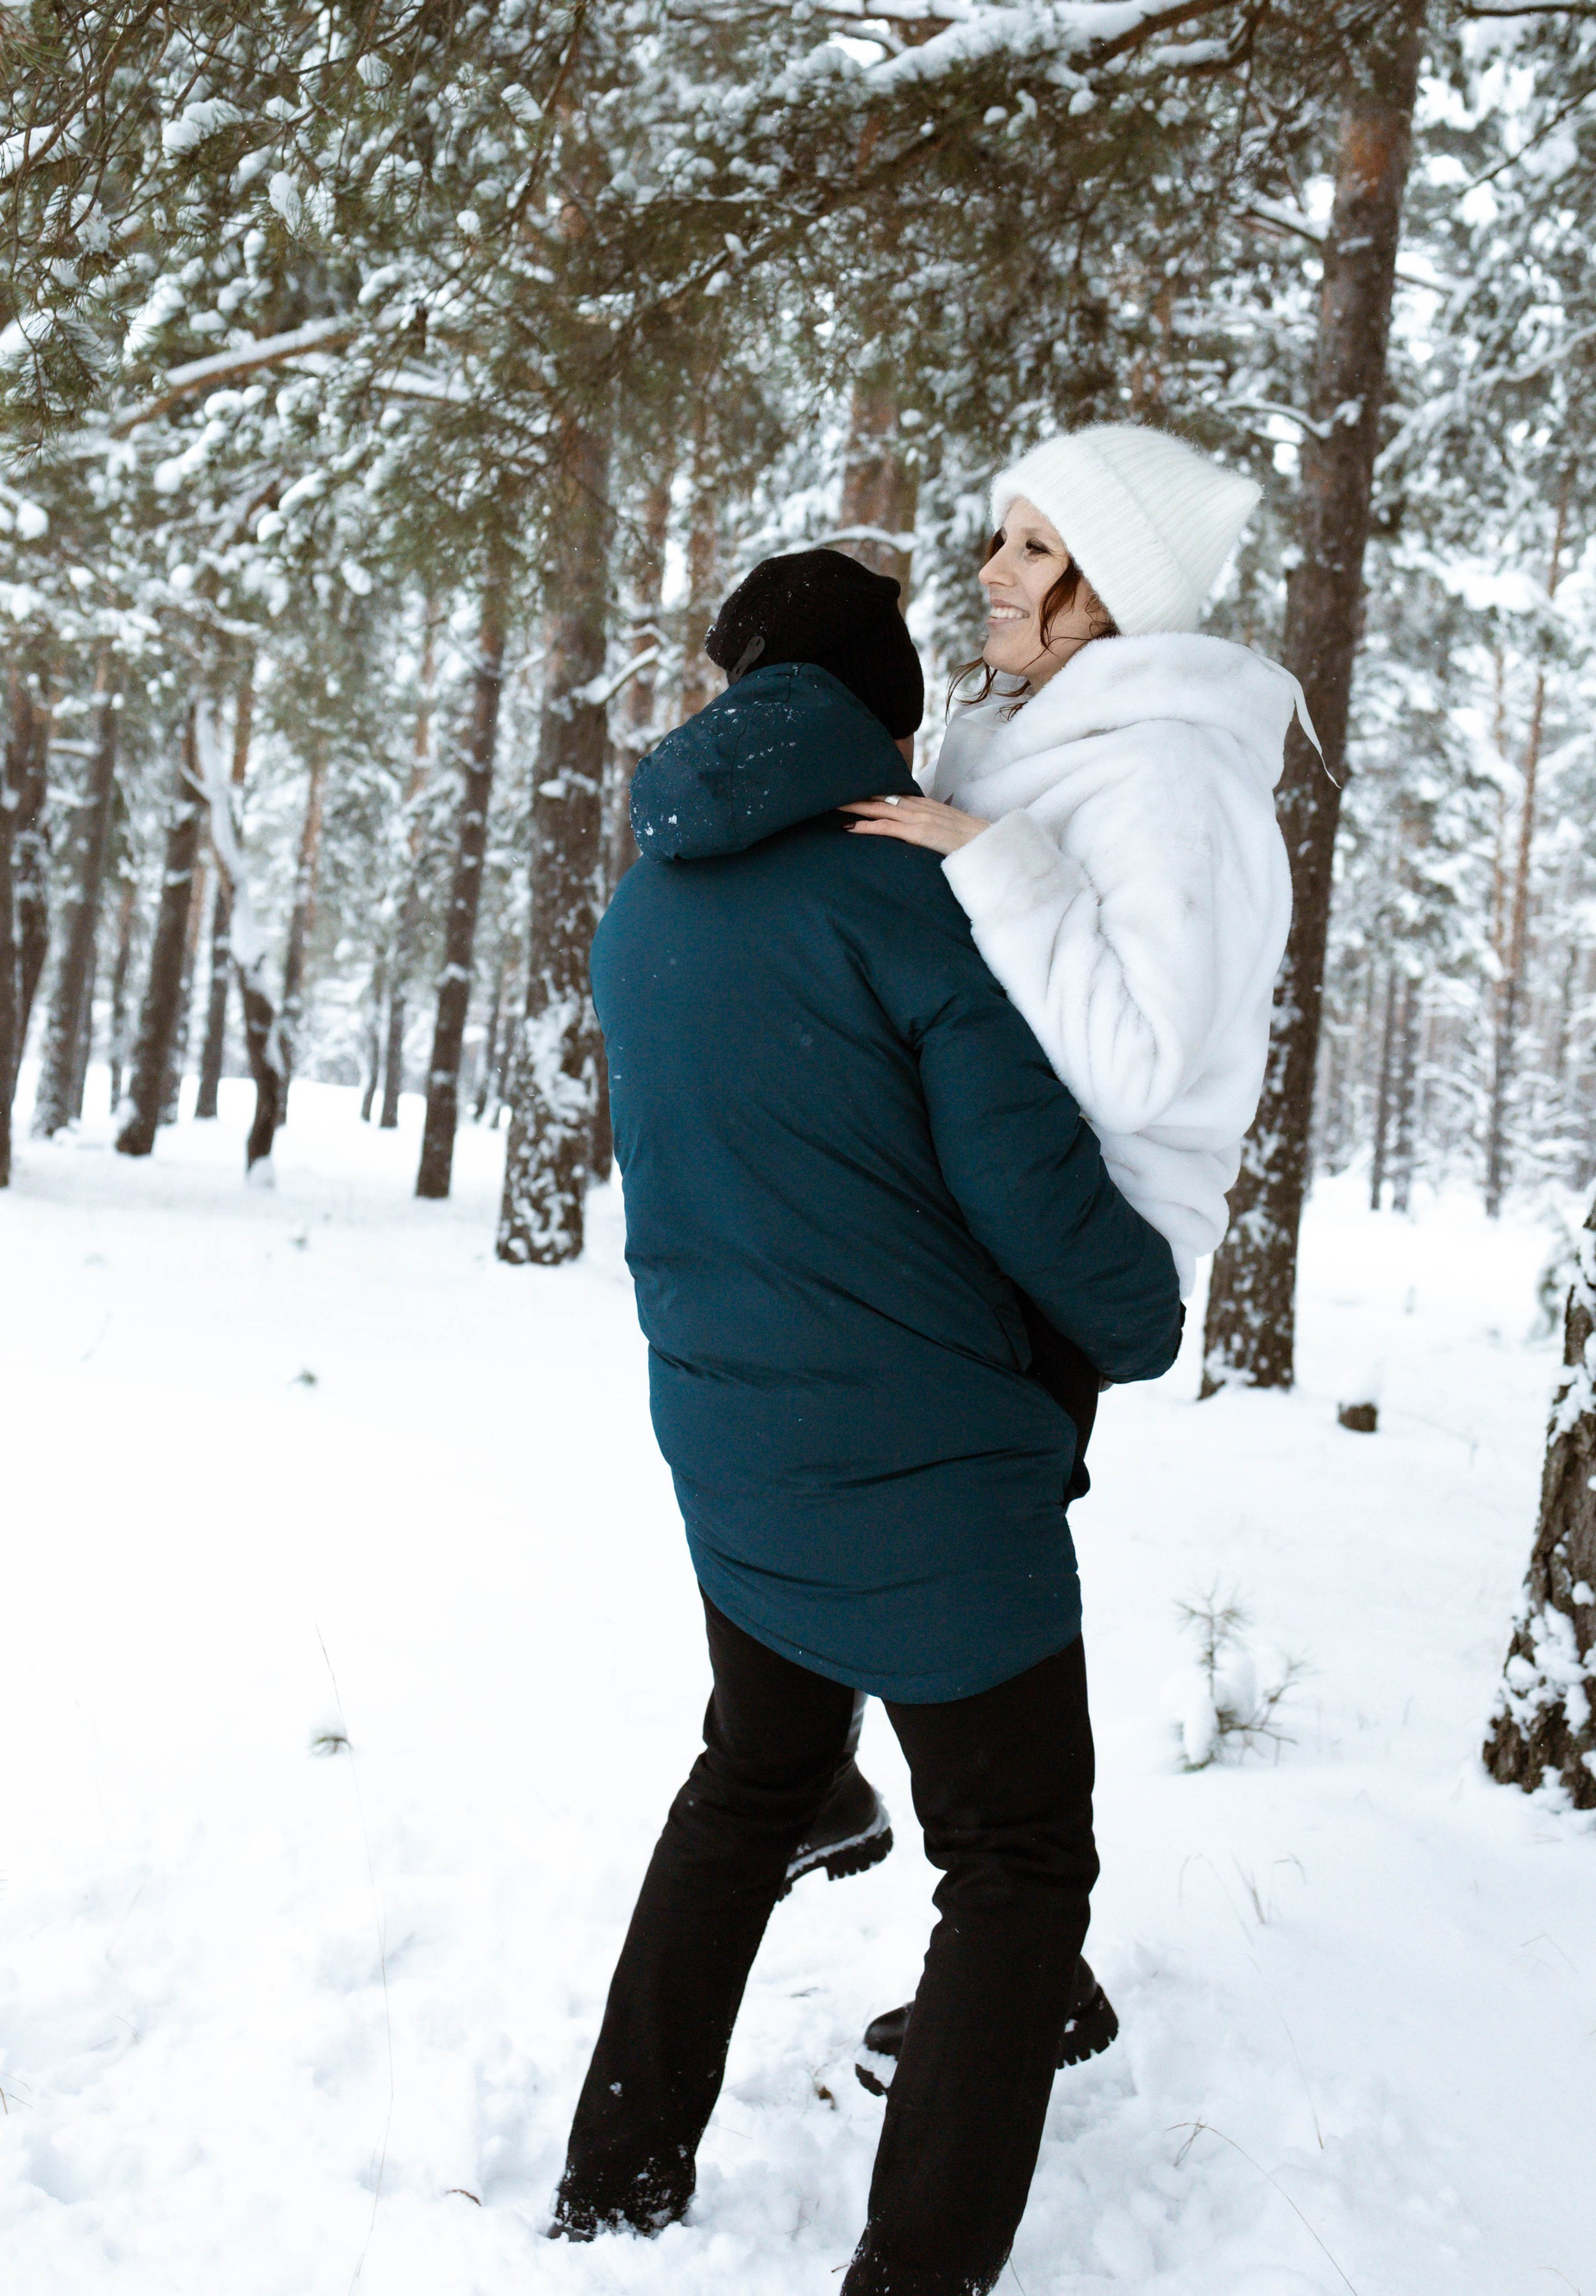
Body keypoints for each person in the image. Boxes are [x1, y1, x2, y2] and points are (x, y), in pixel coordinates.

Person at [553, 547, 1183, 2295]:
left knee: (753, 1779)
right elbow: (1034, 1192)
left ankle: (614, 2179)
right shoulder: (908, 903)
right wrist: (1138, 1318)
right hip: (928, 1482)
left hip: (733, 1457)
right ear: (882, 717)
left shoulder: (642, 904)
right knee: (1016, 1858)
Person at [844, 422, 1305, 1302]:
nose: (991, 570)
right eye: (1001, 540)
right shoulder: (1015, 740)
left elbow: (1135, 1071)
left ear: (1114, 585)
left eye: (1036, 548)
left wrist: (997, 864)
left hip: (1085, 1240)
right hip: (997, 1204)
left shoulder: (1172, 774)